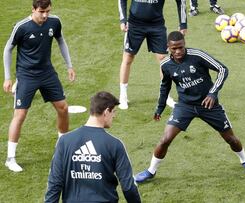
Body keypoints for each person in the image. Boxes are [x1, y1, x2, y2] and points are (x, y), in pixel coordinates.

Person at [134, 31, 245, 183]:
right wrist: (159, 108)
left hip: (208, 105)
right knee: (165, 139)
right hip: (185, 106)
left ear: (184, 44)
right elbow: (164, 87)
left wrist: (212, 93)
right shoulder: (166, 65)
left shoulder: (197, 56)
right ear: (168, 47)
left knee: (231, 139)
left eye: (181, 47)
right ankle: (150, 171)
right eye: (174, 49)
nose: (178, 51)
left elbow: (222, 69)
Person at [2, 0, 76, 172]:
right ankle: (10, 158)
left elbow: (61, 41)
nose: (45, 15)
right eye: (42, 11)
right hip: (26, 76)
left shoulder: (54, 22)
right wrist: (7, 77)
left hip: (47, 73)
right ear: (33, 9)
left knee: (63, 108)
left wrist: (69, 65)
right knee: (20, 115)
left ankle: (62, 146)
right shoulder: (22, 27)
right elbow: (8, 49)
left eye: (48, 11)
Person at [45, 91, 141, 203]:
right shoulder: (115, 144)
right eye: (113, 111)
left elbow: (54, 184)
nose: (114, 116)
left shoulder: (64, 141)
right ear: (106, 112)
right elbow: (128, 187)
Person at [117, 0, 187, 110]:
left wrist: (183, 23)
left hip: (156, 25)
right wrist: (123, 19)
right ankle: (123, 96)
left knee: (163, 59)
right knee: (128, 58)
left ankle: (165, 96)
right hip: (134, 25)